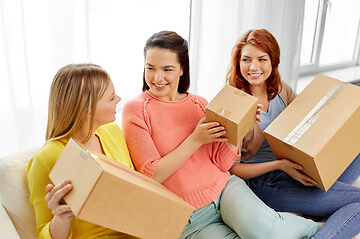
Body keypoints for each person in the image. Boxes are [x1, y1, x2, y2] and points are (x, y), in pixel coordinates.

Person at [121, 30, 319, 239]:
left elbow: (222, 163)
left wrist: (240, 128)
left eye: (167, 69)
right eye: (150, 68)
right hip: (189, 217)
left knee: (267, 233)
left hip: (226, 190)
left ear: (181, 69)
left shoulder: (200, 103)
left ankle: (315, 230)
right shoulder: (136, 110)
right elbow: (151, 175)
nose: (157, 77)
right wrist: (196, 139)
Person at [227, 28, 360, 239]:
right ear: (238, 62)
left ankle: (323, 203)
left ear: (273, 62)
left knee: (356, 144)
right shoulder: (233, 103)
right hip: (266, 182)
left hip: (297, 167)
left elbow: (305, 123)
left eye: (262, 59)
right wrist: (280, 165)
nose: (253, 67)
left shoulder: (280, 89)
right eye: (246, 60)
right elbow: (233, 169)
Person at [27, 64, 136, 239]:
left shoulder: (112, 131)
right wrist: (61, 218)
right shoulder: (49, 157)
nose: (118, 99)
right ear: (87, 108)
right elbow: (42, 234)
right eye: (110, 98)